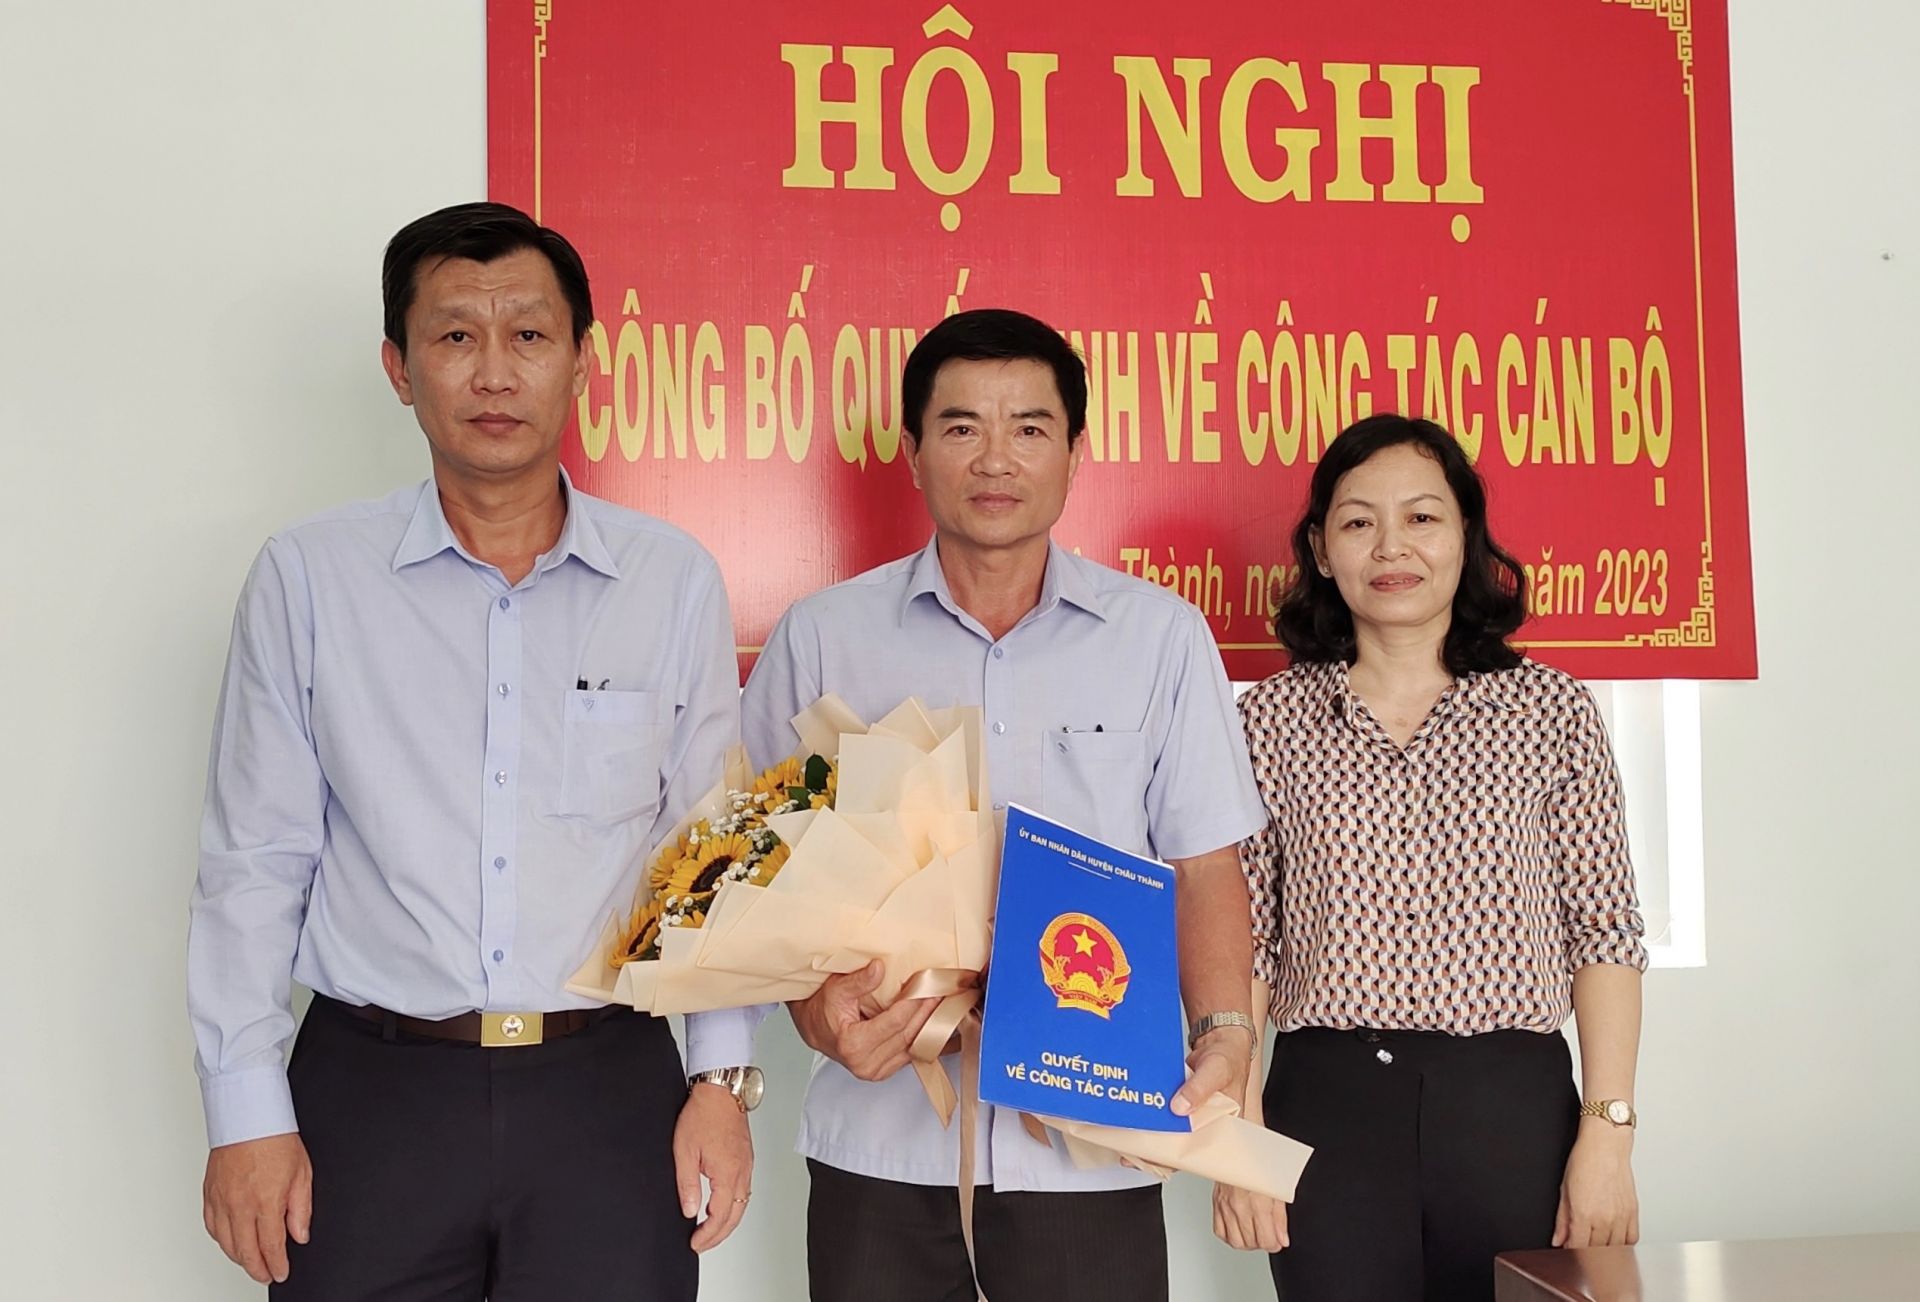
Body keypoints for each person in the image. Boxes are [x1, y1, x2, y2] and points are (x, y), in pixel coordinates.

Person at [187, 201, 760, 1299]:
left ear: (582, 361)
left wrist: (721, 1080)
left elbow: (709, 850)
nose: (494, 372)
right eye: (455, 336)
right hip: (374, 1092)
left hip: (608, 1091)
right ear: (399, 370)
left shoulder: (669, 579)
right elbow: (254, 860)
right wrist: (244, 1110)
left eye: (528, 335)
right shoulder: (310, 579)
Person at [740, 308, 1269, 1302]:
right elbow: (755, 866)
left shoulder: (1159, 639)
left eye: (1029, 427)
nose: (996, 458)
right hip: (882, 1142)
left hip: (1093, 1138)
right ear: (912, 453)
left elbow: (1204, 864)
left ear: (1075, 451)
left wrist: (1229, 1032)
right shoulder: (823, 639)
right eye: (961, 427)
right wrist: (810, 1008)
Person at [1214, 413, 1647, 1301]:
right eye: (1358, 521)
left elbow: (1604, 932)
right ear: (1321, 549)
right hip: (1325, 1107)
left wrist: (1607, 1135)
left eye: (1421, 517)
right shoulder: (1266, 721)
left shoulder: (1552, 712)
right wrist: (1236, 1136)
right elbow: (1244, 942)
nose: (1391, 546)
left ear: (1466, 535)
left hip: (1511, 1106)